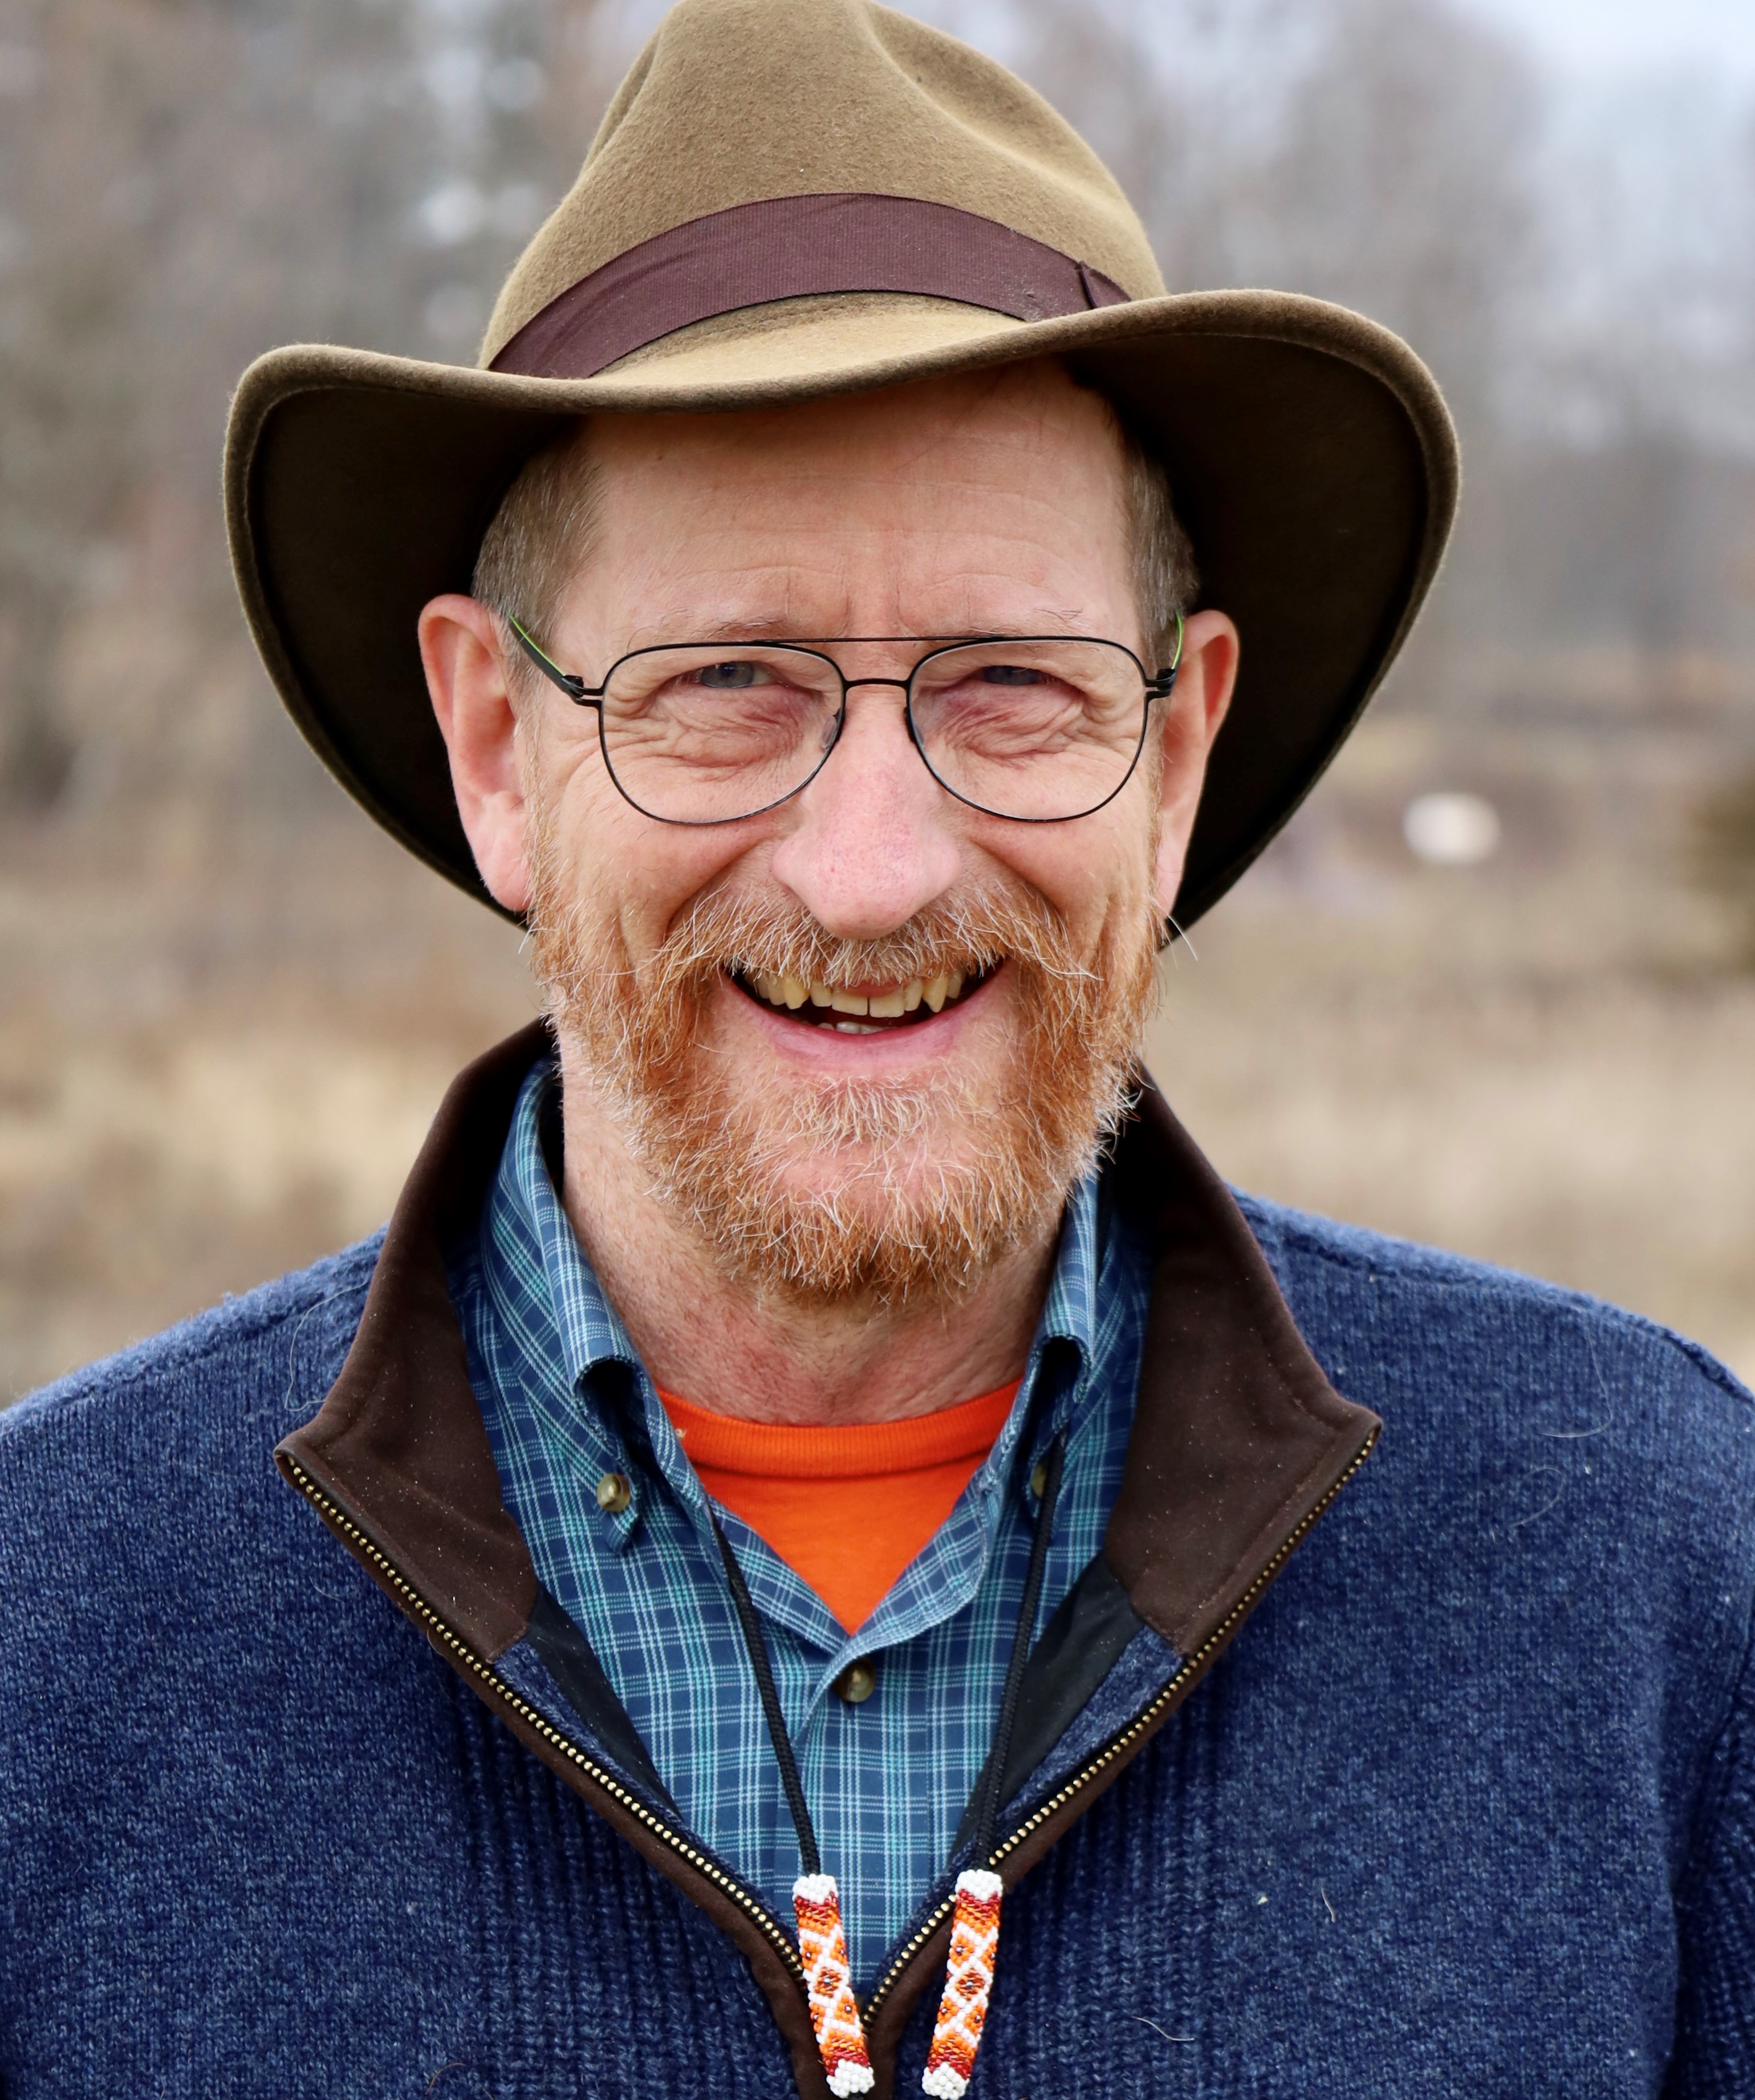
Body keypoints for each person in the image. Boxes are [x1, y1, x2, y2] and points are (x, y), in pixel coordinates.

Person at [2, 0, 1751, 2093]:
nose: (866, 872)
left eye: (1012, 681)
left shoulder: (1649, 1576)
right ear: (497, 745)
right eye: (725, 680)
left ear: (1176, 751)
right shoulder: (52, 1638)